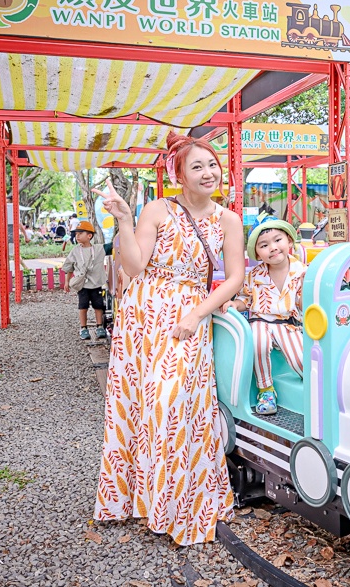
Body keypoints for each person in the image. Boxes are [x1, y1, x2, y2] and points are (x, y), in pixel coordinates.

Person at [92, 131, 245, 545]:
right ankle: (137, 499)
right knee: (138, 403)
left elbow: (235, 277)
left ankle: (178, 503)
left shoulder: (228, 219)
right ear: (178, 175)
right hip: (143, 315)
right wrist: (124, 220)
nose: (208, 172)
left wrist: (198, 313)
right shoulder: (157, 209)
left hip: (188, 317)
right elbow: (136, 265)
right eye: (197, 166)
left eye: (212, 164)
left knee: (171, 403)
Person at [221, 220, 305, 415]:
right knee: (257, 341)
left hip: (288, 324)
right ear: (258, 253)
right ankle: (265, 389)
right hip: (262, 321)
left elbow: (306, 301)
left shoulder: (302, 272)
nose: (273, 248)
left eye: (278, 240)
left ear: (289, 241)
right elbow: (246, 299)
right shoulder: (255, 275)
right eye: (264, 245)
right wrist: (235, 304)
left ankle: (314, 384)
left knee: (300, 360)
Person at [62, 220, 108, 340]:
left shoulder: (99, 249)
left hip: (96, 284)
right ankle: (83, 328)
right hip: (82, 285)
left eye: (80, 233)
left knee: (98, 306)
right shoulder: (75, 251)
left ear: (89, 235)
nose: (77, 236)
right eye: (76, 234)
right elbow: (69, 267)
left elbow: (114, 245)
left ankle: (99, 327)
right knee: (83, 306)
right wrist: (67, 282)